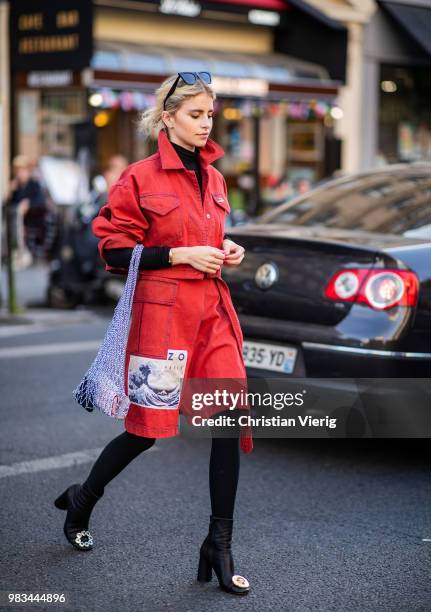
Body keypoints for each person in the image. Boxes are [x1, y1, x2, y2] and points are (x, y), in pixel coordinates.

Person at [54, 72, 253, 596]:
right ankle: (84, 497)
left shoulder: (215, 178)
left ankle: (219, 541)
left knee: (228, 416)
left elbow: (204, 234)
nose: (206, 123)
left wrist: (224, 248)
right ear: (167, 117)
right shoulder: (139, 178)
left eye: (210, 114)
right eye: (195, 114)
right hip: (162, 319)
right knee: (147, 430)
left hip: (211, 314)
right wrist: (181, 254)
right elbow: (113, 251)